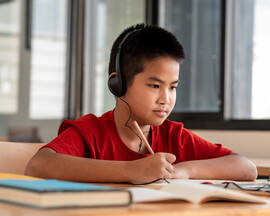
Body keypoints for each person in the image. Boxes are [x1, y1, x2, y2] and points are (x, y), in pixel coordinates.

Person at [25, 24, 257, 183]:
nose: (166, 98)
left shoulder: (173, 136)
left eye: (172, 87)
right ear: (119, 84)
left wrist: (183, 170)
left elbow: (247, 168)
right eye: (154, 86)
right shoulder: (90, 131)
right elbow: (38, 166)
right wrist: (131, 171)